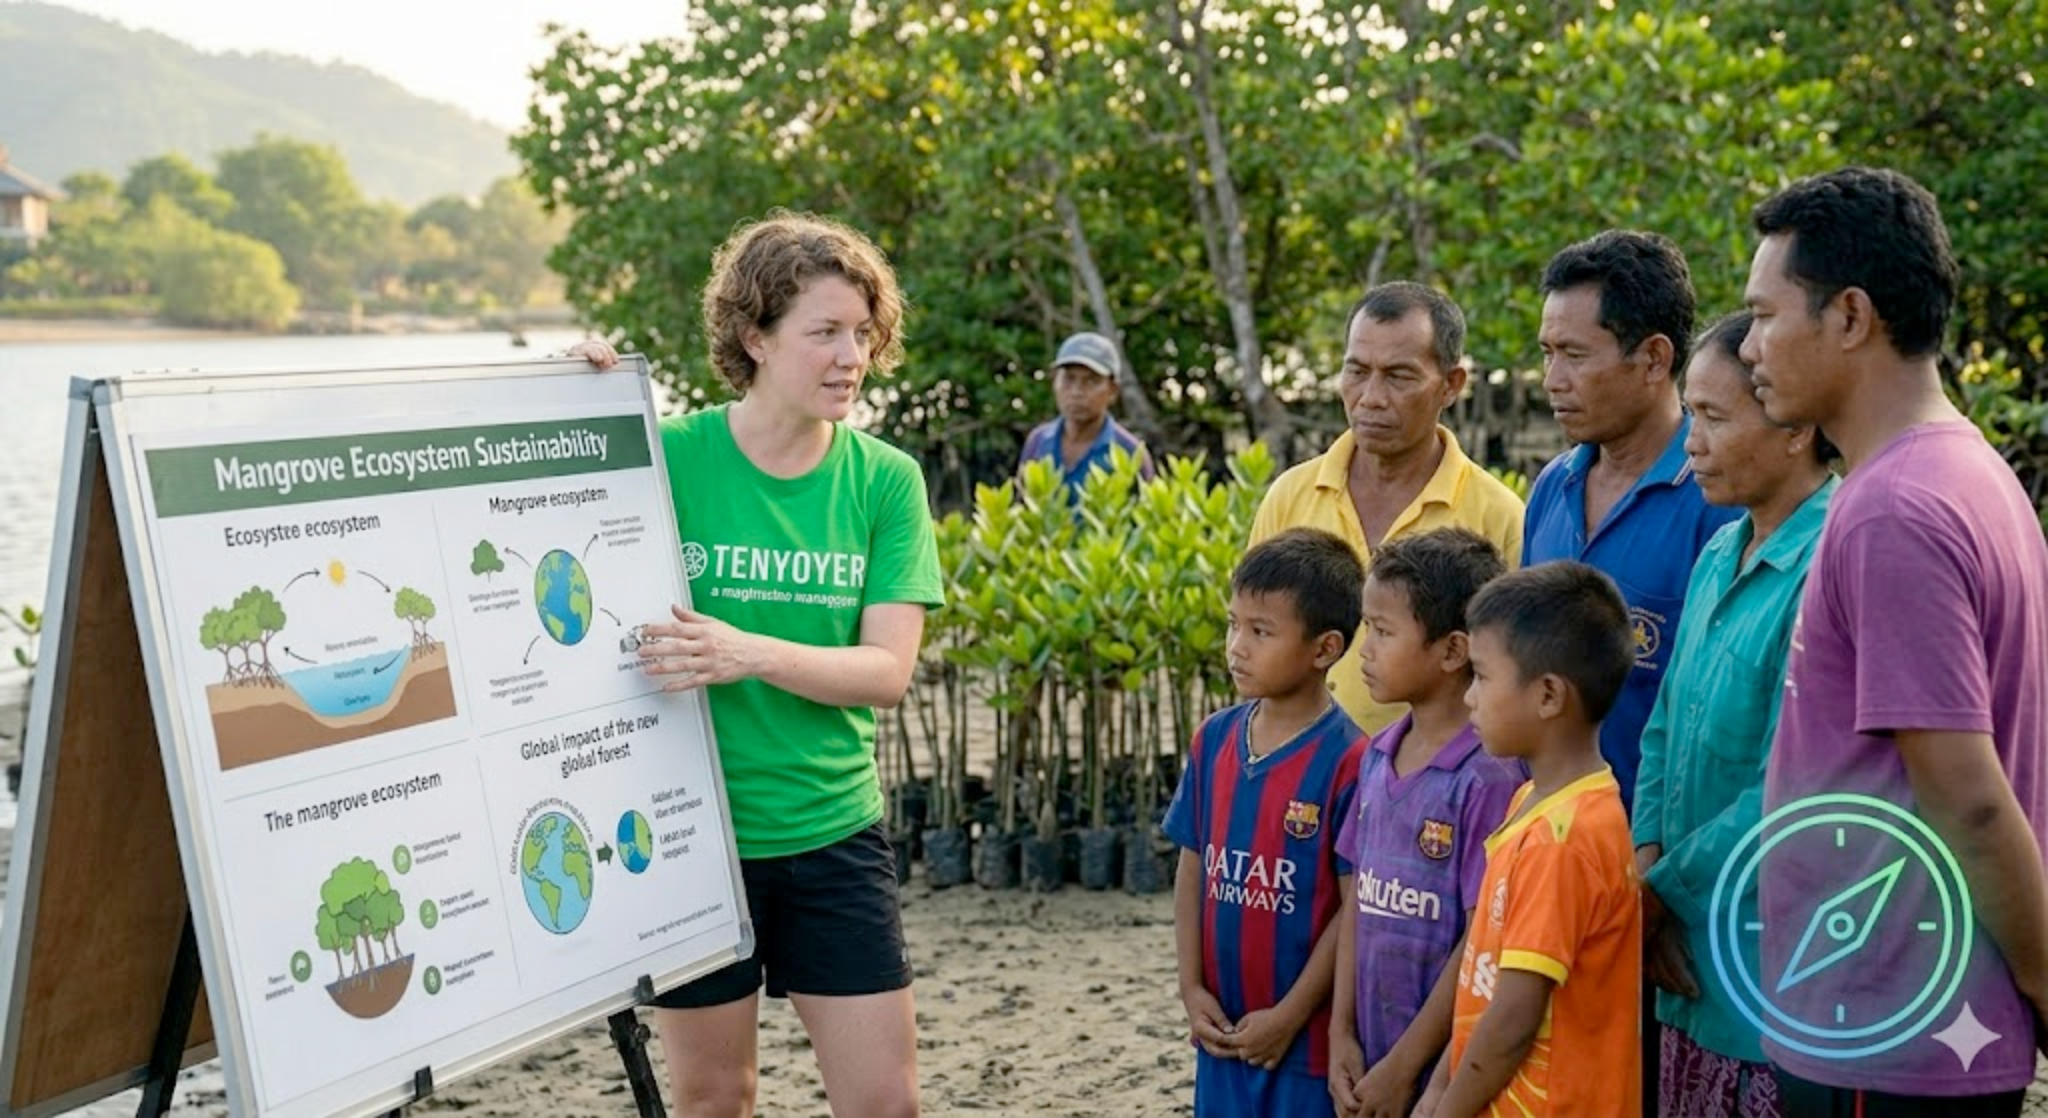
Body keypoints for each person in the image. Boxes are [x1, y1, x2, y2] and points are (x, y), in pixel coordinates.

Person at [570, 210, 942, 1118]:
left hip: (832, 832)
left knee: (885, 1104)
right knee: (715, 1102)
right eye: (823, 332)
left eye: (862, 333)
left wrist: (746, 653)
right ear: (754, 337)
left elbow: (885, 673)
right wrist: (572, 396)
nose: (850, 355)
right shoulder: (668, 457)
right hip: (691, 838)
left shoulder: (885, 479)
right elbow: (539, 504)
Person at [1743, 167, 2048, 1116]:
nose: (1750, 347)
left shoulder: (1895, 511)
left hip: (1890, 1029)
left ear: (1850, 317)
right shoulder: (1964, 470)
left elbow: (1970, 802)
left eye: (1764, 314)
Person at [1630, 311, 1837, 1117]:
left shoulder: (1830, 563)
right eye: (1692, 416)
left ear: (1797, 429)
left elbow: (1787, 780)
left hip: (1762, 970)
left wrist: (1659, 897)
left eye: (1714, 418)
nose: (1691, 443)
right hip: (1680, 954)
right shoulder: (1722, 550)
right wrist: (1648, 872)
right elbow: (1663, 728)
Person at [1523, 231, 1741, 814]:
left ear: (1653, 358)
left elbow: (1720, 723)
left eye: (1574, 355)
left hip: (1658, 858)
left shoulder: (1719, 499)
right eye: (1547, 353)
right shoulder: (1553, 488)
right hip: (1545, 845)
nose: (1552, 379)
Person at [1252, 282, 1525, 735]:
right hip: (1299, 781)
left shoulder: (1498, 517)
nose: (1371, 397)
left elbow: (1509, 682)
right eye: (1357, 371)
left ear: (1451, 385)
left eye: (1399, 377)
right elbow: (1255, 640)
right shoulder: (1290, 496)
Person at [1423, 561, 1642, 1118]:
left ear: (1548, 696)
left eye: (1482, 676)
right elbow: (1487, 981)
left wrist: (1448, 1108)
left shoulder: (1561, 839)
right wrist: (1439, 1087)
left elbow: (1514, 1017)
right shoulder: (1533, 803)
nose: (1469, 697)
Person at [1166, 527, 1369, 1118]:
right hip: (1220, 1028)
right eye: (1233, 624)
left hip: (1302, 1045)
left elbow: (1351, 910)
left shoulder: (1351, 761)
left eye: (1261, 632)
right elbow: (1193, 869)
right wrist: (1191, 987)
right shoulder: (1215, 739)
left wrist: (1289, 1015)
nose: (1237, 646)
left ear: (1325, 648)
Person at [1328, 528, 1524, 1118]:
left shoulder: (1489, 778)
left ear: (1452, 650)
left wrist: (1407, 1066)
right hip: (1369, 1054)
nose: (1364, 648)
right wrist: (1340, 1031)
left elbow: (1479, 941)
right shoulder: (1378, 755)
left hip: (1442, 1070)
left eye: (1383, 631)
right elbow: (1358, 902)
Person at [1016, 330, 1155, 488]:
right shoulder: (1038, 442)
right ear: (1054, 382)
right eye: (1069, 379)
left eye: (1091, 381)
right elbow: (1023, 507)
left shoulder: (1130, 452)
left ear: (1113, 391)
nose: (1076, 392)